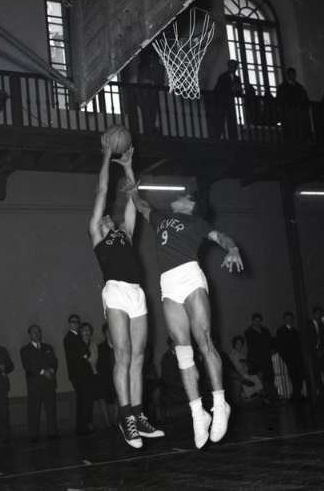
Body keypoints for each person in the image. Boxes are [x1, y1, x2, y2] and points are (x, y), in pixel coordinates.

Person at [130, 165, 244, 449]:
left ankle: (220, 404)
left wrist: (232, 249)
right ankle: (197, 413)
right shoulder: (160, 218)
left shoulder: (197, 222)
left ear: (191, 205)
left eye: (183, 196)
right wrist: (130, 179)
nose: (177, 197)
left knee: (204, 341)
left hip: (190, 276)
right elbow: (141, 205)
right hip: (168, 284)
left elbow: (221, 237)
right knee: (182, 352)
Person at [89, 135, 163, 449]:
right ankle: (125, 417)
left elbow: (133, 199)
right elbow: (103, 190)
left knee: (138, 357)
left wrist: (129, 167)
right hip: (116, 291)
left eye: (110, 215)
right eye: (105, 216)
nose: (108, 216)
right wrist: (107, 156)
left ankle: (138, 413)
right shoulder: (97, 233)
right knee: (122, 354)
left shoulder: (127, 233)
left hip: (136, 293)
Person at [20, 324, 58, 442]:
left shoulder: (48, 347)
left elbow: (54, 362)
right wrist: (43, 372)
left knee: (51, 409)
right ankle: (33, 435)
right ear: (29, 334)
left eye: (38, 331)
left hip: (49, 383)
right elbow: (28, 366)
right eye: (34, 332)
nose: (36, 334)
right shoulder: (25, 350)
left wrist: (51, 369)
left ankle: (52, 433)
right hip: (34, 386)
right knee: (34, 410)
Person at [63, 313, 93, 435]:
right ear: (69, 323)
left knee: (83, 400)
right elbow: (85, 353)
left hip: (81, 374)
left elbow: (85, 353)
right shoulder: (70, 337)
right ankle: (83, 428)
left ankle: (82, 427)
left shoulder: (76, 337)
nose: (75, 324)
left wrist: (85, 353)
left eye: (77, 322)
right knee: (84, 400)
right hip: (79, 374)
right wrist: (85, 353)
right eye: (73, 321)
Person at [244, 313, 276, 400]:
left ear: (261, 321)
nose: (258, 323)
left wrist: (272, 349)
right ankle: (263, 399)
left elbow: (270, 342)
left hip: (267, 358)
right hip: (257, 360)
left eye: (259, 321)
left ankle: (272, 397)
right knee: (260, 380)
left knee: (270, 377)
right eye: (256, 321)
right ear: (252, 321)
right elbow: (252, 346)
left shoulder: (265, 330)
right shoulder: (249, 332)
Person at [276, 312, 305, 400]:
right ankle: (296, 395)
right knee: (293, 377)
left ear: (292, 319)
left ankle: (297, 394)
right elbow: (280, 346)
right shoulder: (281, 331)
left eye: (290, 319)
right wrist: (286, 358)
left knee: (300, 376)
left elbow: (300, 345)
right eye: (287, 319)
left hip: (298, 358)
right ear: (284, 320)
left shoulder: (295, 331)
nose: (289, 320)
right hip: (290, 358)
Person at [276, 67, 310, 142]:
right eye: (291, 74)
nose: (292, 76)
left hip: (299, 112)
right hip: (288, 112)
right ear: (288, 75)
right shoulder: (282, 87)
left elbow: (305, 98)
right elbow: (280, 100)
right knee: (290, 130)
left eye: (293, 74)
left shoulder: (299, 87)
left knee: (300, 129)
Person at [211, 59, 242, 140]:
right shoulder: (223, 77)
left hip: (231, 102)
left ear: (236, 68)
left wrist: (237, 90)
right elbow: (218, 89)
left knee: (231, 120)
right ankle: (218, 137)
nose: (232, 68)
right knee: (221, 120)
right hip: (222, 101)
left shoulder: (237, 78)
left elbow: (239, 91)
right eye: (231, 66)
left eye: (234, 67)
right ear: (228, 67)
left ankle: (232, 138)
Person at [308, 306, 324, 395]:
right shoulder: (308, 324)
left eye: (320, 314)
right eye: (317, 313)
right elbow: (308, 339)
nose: (319, 315)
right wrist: (315, 350)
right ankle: (322, 390)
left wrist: (320, 348)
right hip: (312, 353)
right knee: (317, 372)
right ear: (313, 314)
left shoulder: (321, 325)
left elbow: (322, 338)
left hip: (320, 351)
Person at [96, 323, 118, 428]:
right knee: (104, 399)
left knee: (118, 398)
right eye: (108, 331)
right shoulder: (100, 347)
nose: (110, 333)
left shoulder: (119, 345)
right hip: (104, 377)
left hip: (117, 376)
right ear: (105, 333)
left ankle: (116, 419)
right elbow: (98, 363)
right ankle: (107, 422)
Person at [229, 336, 264, 400]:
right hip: (238, 374)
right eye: (237, 343)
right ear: (234, 344)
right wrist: (244, 369)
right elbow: (236, 367)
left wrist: (247, 367)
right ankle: (252, 394)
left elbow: (247, 365)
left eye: (240, 344)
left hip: (245, 372)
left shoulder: (242, 354)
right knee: (250, 378)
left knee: (256, 376)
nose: (239, 345)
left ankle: (255, 394)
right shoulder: (233, 354)